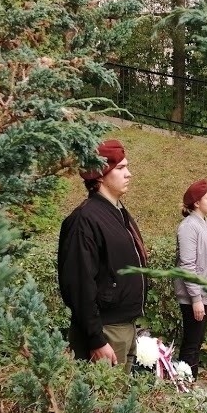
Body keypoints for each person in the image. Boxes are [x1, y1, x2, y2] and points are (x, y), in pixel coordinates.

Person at [58, 139, 147, 369]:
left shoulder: (118, 213)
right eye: (120, 168)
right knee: (101, 403)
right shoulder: (84, 220)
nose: (129, 174)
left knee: (120, 403)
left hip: (124, 328)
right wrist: (96, 338)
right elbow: (79, 284)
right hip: (105, 333)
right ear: (100, 175)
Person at [174, 179, 207, 379]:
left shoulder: (206, 224)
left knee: (197, 341)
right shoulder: (188, 227)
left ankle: (189, 382)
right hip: (194, 296)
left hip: (206, 294)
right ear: (196, 203)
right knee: (192, 342)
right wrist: (196, 299)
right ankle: (184, 385)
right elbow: (187, 266)